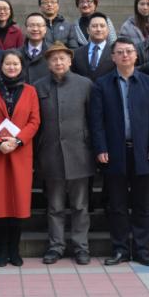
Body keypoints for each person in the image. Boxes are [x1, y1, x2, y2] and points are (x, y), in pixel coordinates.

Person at [89, 37, 149, 267]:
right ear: (113, 57)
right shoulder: (102, 84)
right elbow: (96, 121)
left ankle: (142, 249)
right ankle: (120, 249)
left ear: (136, 55)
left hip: (144, 152)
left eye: (129, 51)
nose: (125, 55)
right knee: (118, 205)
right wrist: (101, 147)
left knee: (142, 205)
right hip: (114, 152)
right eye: (120, 52)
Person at [33, 42, 95, 265]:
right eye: (54, 59)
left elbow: (93, 119)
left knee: (80, 206)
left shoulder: (85, 84)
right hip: (50, 154)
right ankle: (56, 246)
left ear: (70, 61)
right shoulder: (38, 86)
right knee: (55, 206)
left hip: (80, 152)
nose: (58, 62)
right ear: (48, 63)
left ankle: (81, 247)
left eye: (62, 58)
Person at [0, 50, 41, 267]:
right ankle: (2, 250)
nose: (12, 67)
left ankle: (14, 250)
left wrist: (18, 140)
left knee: (18, 203)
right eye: (8, 64)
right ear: (1, 66)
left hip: (20, 153)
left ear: (21, 66)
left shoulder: (30, 91)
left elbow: (34, 121)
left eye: (15, 64)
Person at [72, 12, 116, 81]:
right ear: (88, 30)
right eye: (94, 26)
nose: (98, 29)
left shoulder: (115, 53)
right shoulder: (76, 54)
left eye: (102, 26)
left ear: (108, 30)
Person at [20, 12, 50, 84]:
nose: (35, 29)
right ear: (25, 29)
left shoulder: (52, 53)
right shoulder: (17, 54)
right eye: (31, 25)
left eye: (39, 25)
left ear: (45, 29)